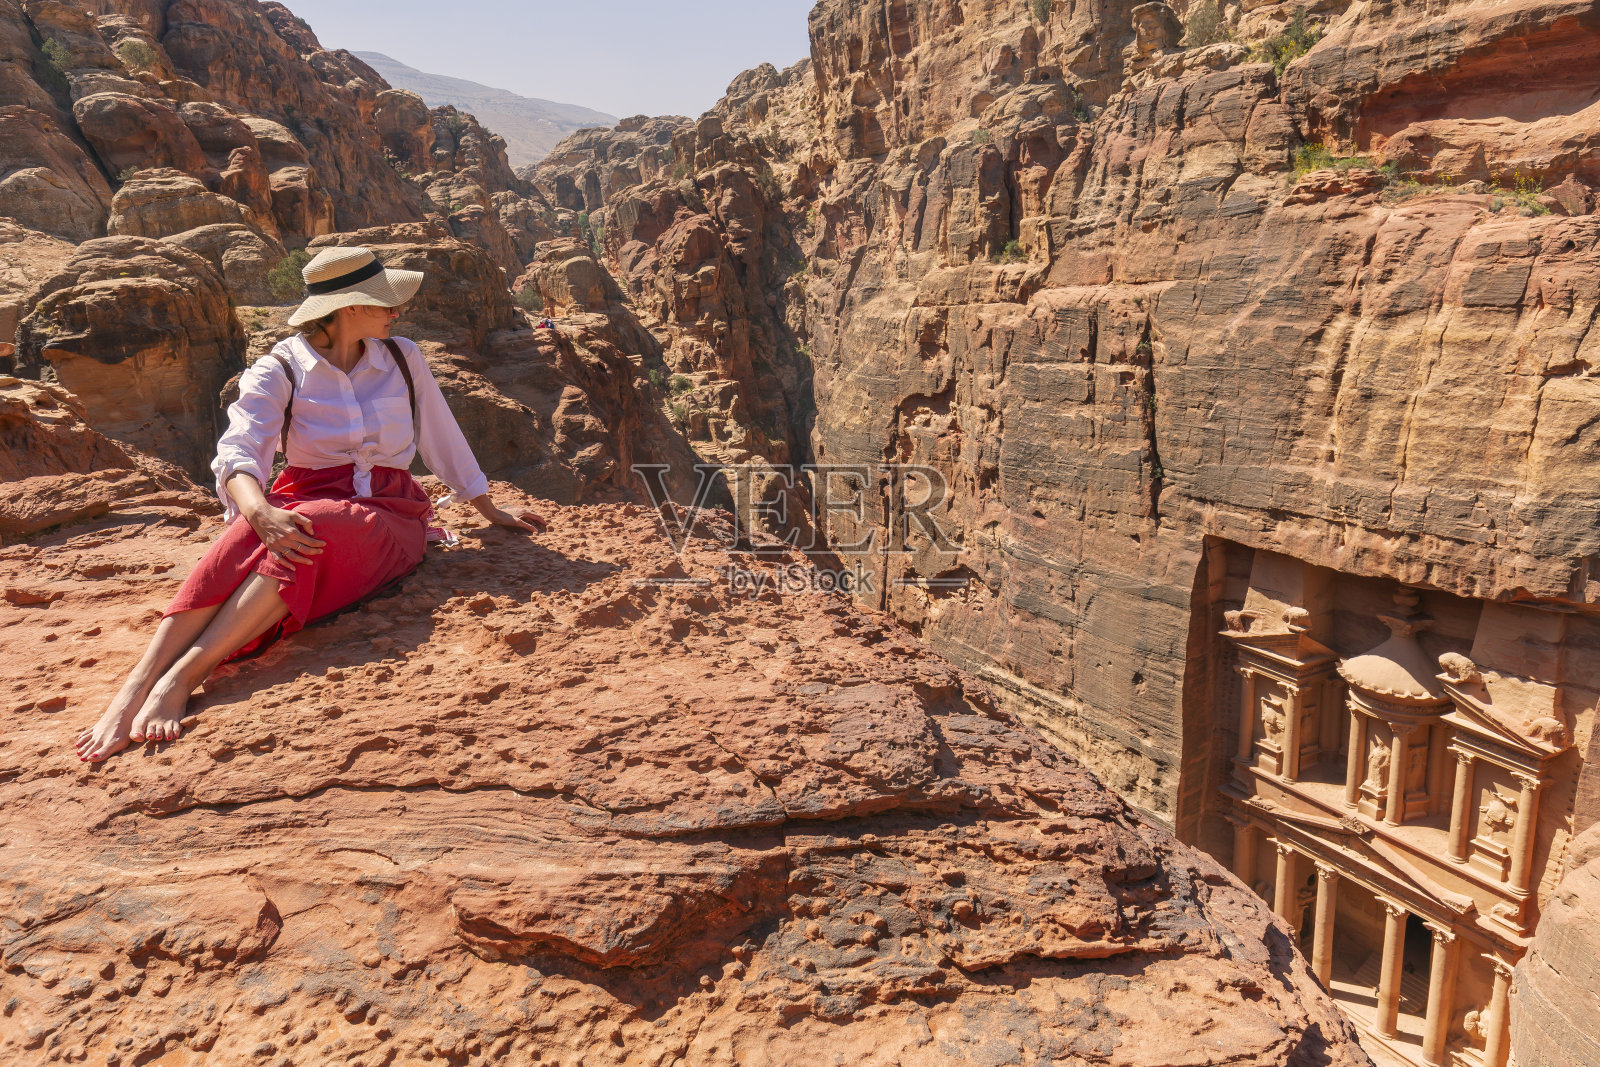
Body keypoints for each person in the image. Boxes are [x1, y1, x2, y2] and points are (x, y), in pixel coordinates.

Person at [75, 246, 545, 762]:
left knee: (312, 524)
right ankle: (135, 686)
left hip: (389, 513)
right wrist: (258, 511)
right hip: (306, 497)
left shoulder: (402, 357)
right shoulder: (279, 368)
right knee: (248, 532)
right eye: (384, 302)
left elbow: (441, 436)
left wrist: (489, 509)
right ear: (348, 308)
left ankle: (185, 675)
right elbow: (238, 451)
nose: (396, 311)